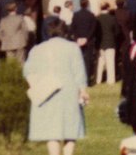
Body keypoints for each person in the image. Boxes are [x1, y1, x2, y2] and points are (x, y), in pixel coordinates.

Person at [25, 18, 89, 155]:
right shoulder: (73, 48)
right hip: (69, 91)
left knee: (51, 130)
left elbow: (28, 72)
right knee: (70, 129)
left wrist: (38, 86)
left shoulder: (37, 49)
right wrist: (83, 91)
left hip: (47, 91)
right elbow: (79, 72)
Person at [95, 1, 121, 85]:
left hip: (100, 43)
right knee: (110, 63)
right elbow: (117, 31)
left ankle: (98, 80)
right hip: (110, 42)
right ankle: (110, 80)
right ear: (108, 8)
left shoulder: (97, 18)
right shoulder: (112, 18)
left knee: (100, 63)